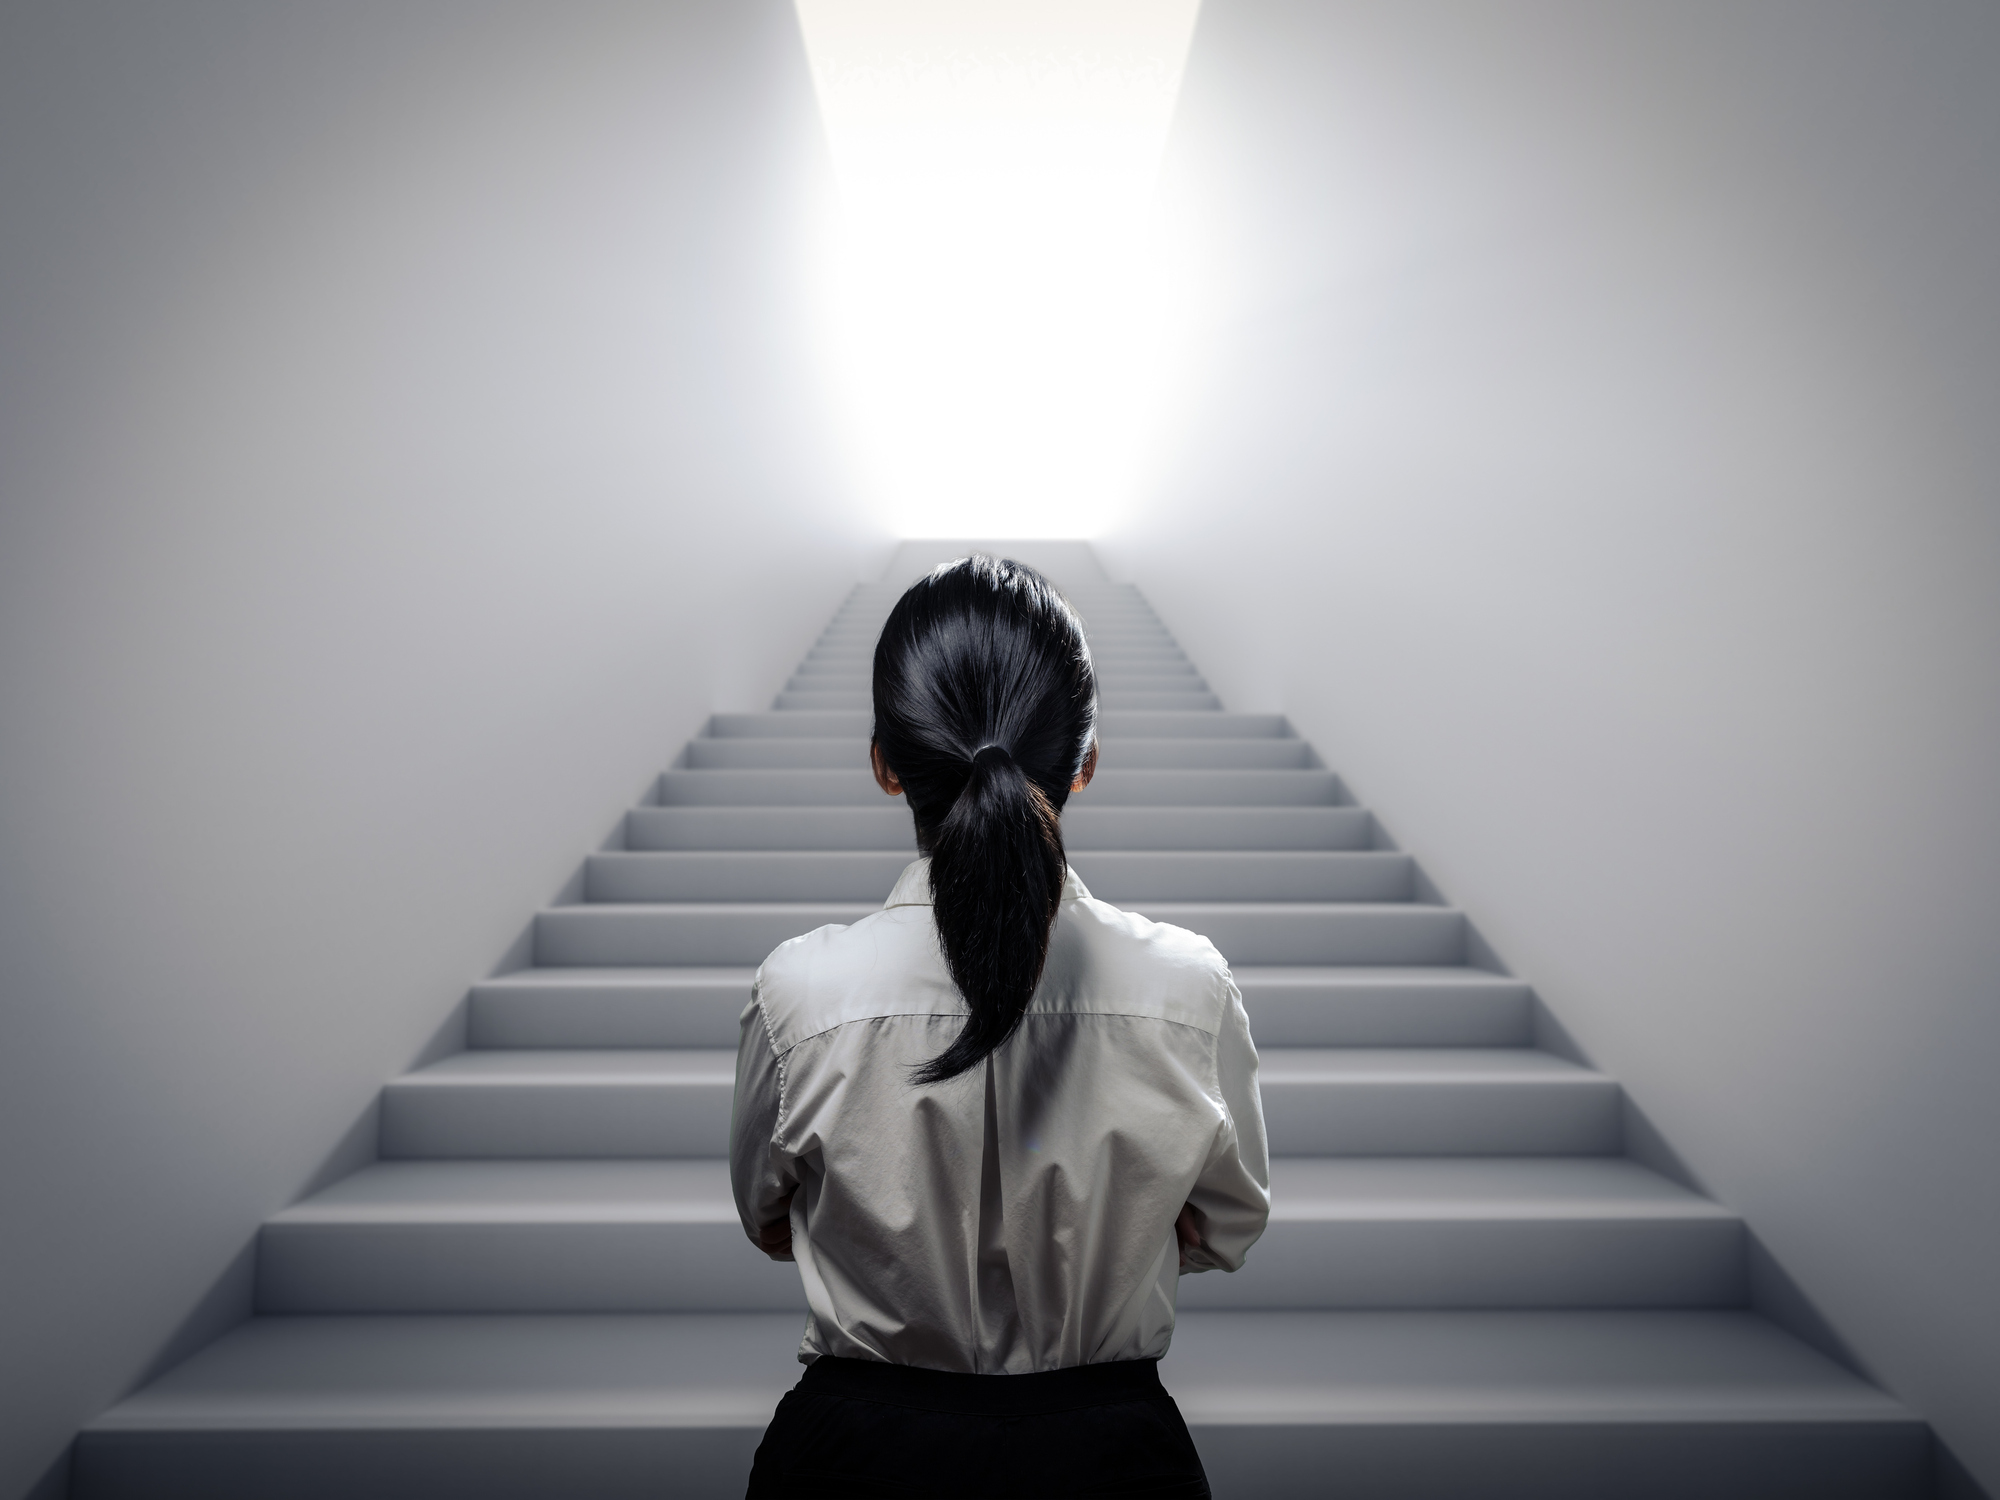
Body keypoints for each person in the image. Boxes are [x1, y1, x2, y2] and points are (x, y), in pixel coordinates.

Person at [730, 555, 1270, 1499]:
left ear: (885, 766)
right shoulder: (1188, 991)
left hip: (851, 1462)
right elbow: (1225, 1223)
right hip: (1110, 1464)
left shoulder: (798, 996)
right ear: (1086, 762)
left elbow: (768, 1217)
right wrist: (1114, 1224)